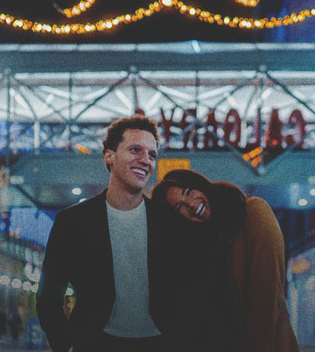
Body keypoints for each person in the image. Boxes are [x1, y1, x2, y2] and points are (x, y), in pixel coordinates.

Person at [37, 115, 219, 352]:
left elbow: (191, 290)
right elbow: (48, 297)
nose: (145, 160)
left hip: (161, 344)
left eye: (152, 155)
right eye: (135, 150)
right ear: (109, 156)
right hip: (95, 343)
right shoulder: (73, 222)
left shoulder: (169, 221)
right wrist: (65, 346)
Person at [151, 169, 300, 352]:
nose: (190, 204)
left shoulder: (253, 213)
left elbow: (266, 301)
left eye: (188, 192)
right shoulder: (198, 247)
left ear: (200, 186)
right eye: (178, 207)